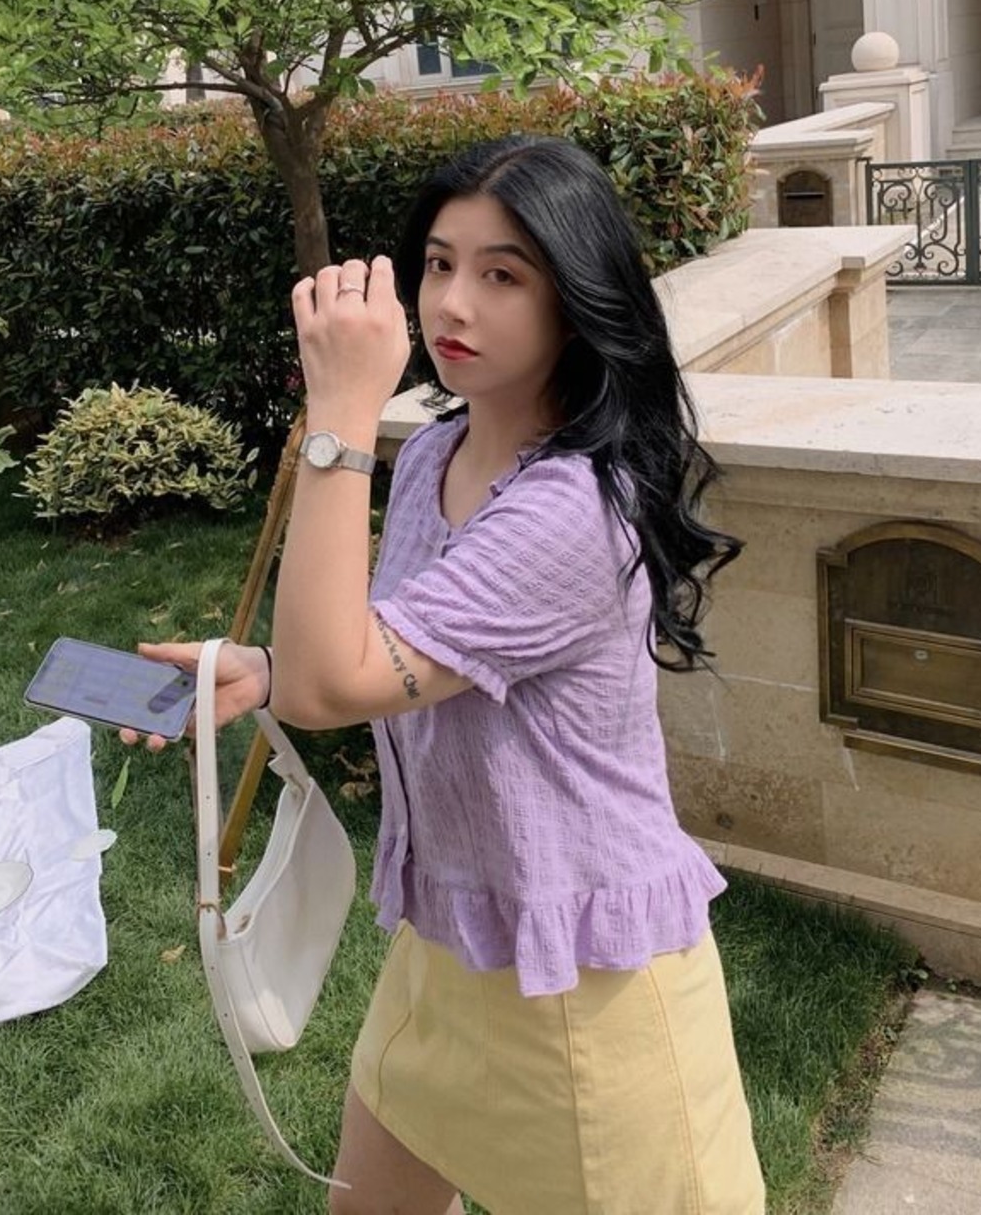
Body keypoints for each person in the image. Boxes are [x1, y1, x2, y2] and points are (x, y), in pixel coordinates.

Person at [129, 135, 765, 1214]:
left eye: (502, 274)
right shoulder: (431, 455)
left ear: (575, 301)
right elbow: (390, 652)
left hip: (587, 980)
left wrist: (338, 413)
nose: (451, 304)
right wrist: (269, 668)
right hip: (452, 942)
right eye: (437, 263)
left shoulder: (571, 510)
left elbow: (339, 685)